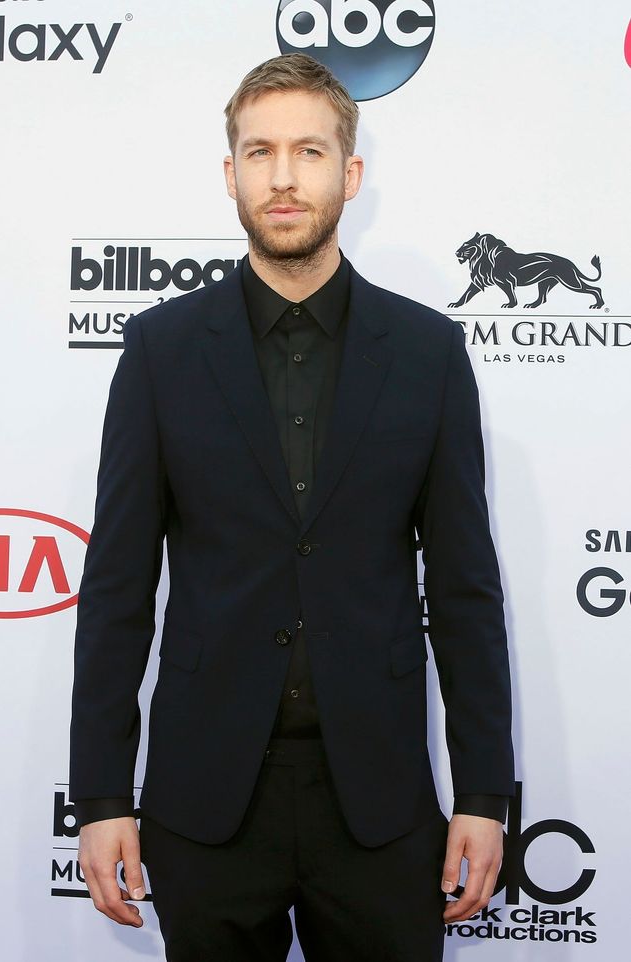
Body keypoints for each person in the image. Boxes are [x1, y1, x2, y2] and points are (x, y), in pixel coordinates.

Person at [69, 53, 515, 962]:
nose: (283, 177)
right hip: (205, 803)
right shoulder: (160, 352)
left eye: (309, 152)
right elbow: (117, 590)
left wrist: (482, 794)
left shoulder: (428, 353)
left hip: (382, 805)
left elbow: (465, 592)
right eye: (260, 152)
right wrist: (105, 800)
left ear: (348, 175)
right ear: (230, 175)